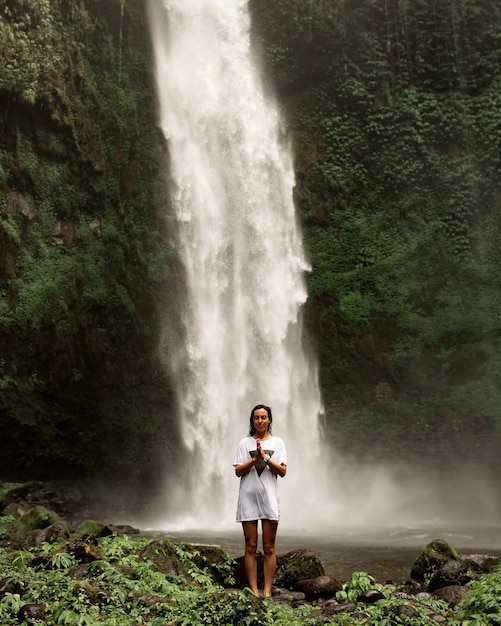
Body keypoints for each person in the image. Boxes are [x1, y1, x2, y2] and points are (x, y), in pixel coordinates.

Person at [233, 404, 287, 598]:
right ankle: (254, 591)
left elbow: (282, 471)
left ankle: (268, 591)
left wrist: (266, 458)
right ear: (252, 420)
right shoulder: (244, 443)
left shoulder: (278, 443)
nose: (260, 421)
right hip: (248, 498)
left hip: (269, 499)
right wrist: (254, 459)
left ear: (269, 420)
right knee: (250, 546)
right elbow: (238, 471)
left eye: (264, 417)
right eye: (256, 417)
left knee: (269, 546)